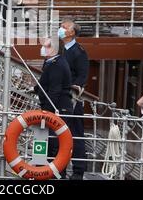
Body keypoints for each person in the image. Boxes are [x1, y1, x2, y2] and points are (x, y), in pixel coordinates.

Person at [34, 37, 73, 179]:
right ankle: (43, 172)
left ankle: (56, 175)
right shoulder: (50, 63)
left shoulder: (57, 64)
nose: (44, 46)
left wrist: (47, 113)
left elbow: (55, 90)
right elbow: (46, 83)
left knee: (55, 143)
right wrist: (35, 89)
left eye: (47, 45)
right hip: (55, 107)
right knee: (47, 143)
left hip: (59, 109)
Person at [58, 19, 88, 180]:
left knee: (75, 133)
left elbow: (82, 76)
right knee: (58, 133)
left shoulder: (79, 52)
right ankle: (59, 168)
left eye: (64, 27)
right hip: (57, 98)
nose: (60, 29)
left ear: (72, 32)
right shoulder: (59, 50)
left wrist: (73, 87)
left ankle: (78, 170)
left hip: (72, 100)